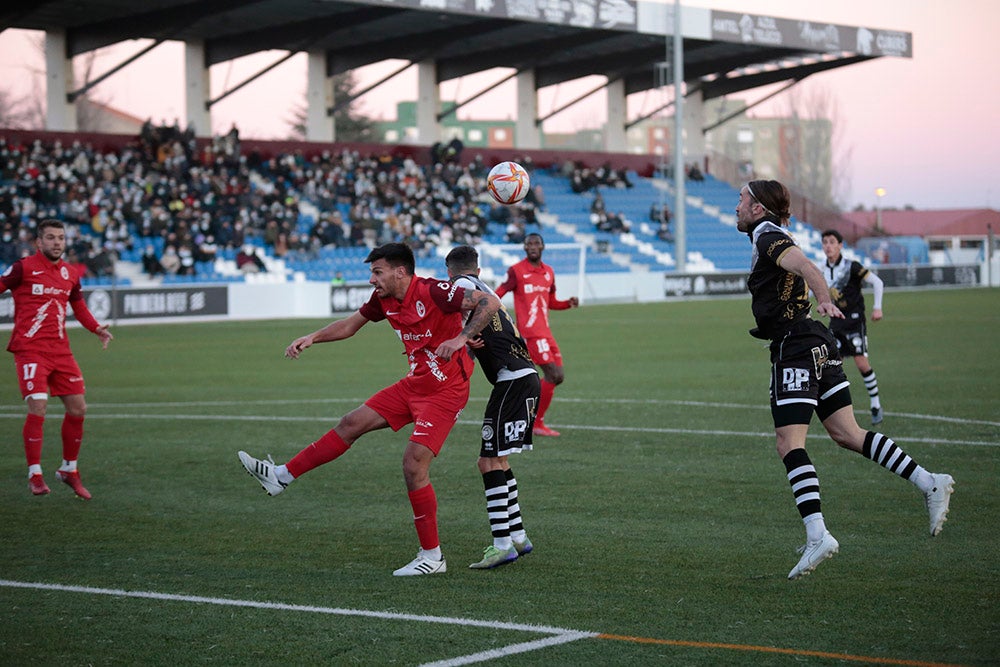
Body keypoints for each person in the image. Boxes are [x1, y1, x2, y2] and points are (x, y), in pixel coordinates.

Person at [237, 242, 501, 576]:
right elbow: (350, 324)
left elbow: (489, 302)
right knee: (351, 423)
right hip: (416, 383)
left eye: (377, 272)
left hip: (446, 392)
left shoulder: (435, 291)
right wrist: (313, 337)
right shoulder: (384, 300)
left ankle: (432, 557)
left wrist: (462, 338)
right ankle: (280, 476)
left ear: (400, 271)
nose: (372, 279)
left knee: (413, 464)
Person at [734, 180, 954, 580]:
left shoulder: (767, 235)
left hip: (796, 344)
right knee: (848, 433)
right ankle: (929, 481)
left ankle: (818, 533)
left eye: (742, 200)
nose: (736, 206)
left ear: (758, 209)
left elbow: (806, 266)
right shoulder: (770, 233)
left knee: (788, 443)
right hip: (818, 340)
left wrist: (823, 297)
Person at [0, 219, 113, 498]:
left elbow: (79, 305)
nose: (57, 243)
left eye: (60, 238)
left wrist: (95, 328)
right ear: (39, 242)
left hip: (61, 350)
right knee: (38, 406)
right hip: (30, 349)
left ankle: (69, 469)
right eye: (50, 238)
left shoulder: (70, 274)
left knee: (78, 408)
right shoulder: (23, 268)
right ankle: (35, 473)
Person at [444, 245, 539, 570]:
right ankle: (518, 537)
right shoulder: (481, 286)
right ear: (479, 270)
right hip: (527, 377)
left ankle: (501, 545)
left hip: (511, 379)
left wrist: (461, 336)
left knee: (486, 462)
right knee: (499, 459)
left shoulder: (459, 288)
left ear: (449, 273)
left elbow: (461, 315)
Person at [494, 233, 578, 437]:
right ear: (524, 247)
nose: (532, 246)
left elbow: (550, 301)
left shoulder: (549, 272)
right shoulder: (516, 271)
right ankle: (535, 422)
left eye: (536, 243)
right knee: (553, 375)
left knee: (558, 377)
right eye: (529, 243)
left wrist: (567, 304)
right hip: (531, 334)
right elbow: (499, 293)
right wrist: (491, 310)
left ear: (543, 247)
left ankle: (530, 417)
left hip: (546, 333)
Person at [818, 229, 886, 424]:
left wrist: (877, 308)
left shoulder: (852, 267)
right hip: (836, 323)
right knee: (832, 365)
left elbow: (877, 282)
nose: (828, 246)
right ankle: (835, 409)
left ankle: (875, 405)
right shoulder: (821, 269)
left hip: (855, 322)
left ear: (840, 245)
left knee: (861, 363)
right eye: (825, 242)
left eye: (832, 242)